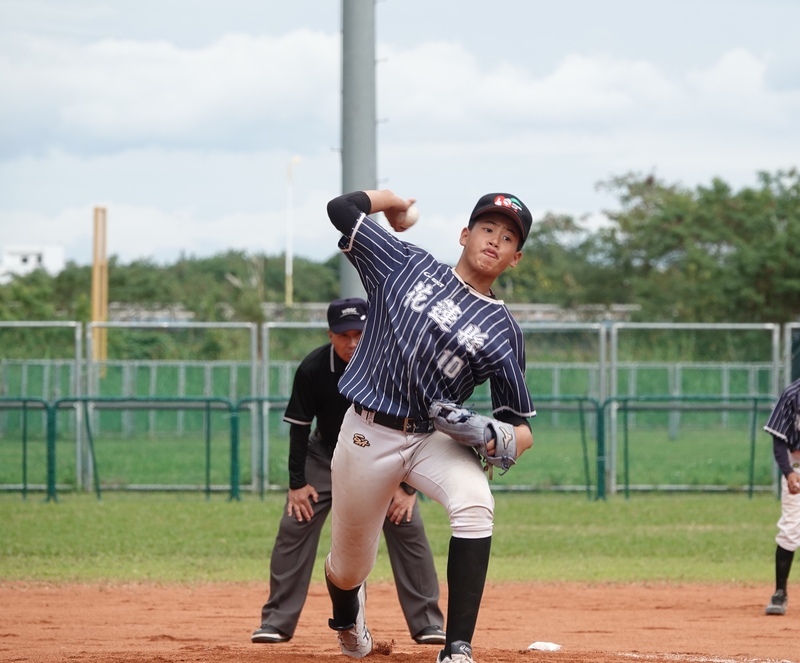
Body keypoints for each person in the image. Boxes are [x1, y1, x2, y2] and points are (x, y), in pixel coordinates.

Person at [323, 190, 536, 663]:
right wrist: (393, 202)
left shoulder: (503, 330)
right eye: (487, 229)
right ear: (464, 234)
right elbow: (341, 209)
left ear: (514, 258)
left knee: (476, 502)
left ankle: (457, 647)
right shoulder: (406, 265)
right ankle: (345, 616)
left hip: (430, 436)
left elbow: (519, 428)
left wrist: (499, 439)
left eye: (507, 238)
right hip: (367, 431)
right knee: (348, 566)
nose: (494, 240)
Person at [251, 297, 446, 646]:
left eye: (359, 333)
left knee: (407, 524)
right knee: (296, 521)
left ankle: (428, 623)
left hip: (384, 457)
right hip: (325, 455)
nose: (352, 342)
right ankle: (277, 622)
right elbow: (299, 426)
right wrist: (297, 483)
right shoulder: (314, 368)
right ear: (330, 335)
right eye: (343, 335)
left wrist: (406, 489)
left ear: (373, 331)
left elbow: (416, 425)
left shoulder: (393, 365)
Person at [763, 377, 800, 616]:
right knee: (790, 528)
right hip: (797, 469)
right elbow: (779, 439)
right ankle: (780, 593)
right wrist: (788, 472)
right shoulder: (792, 395)